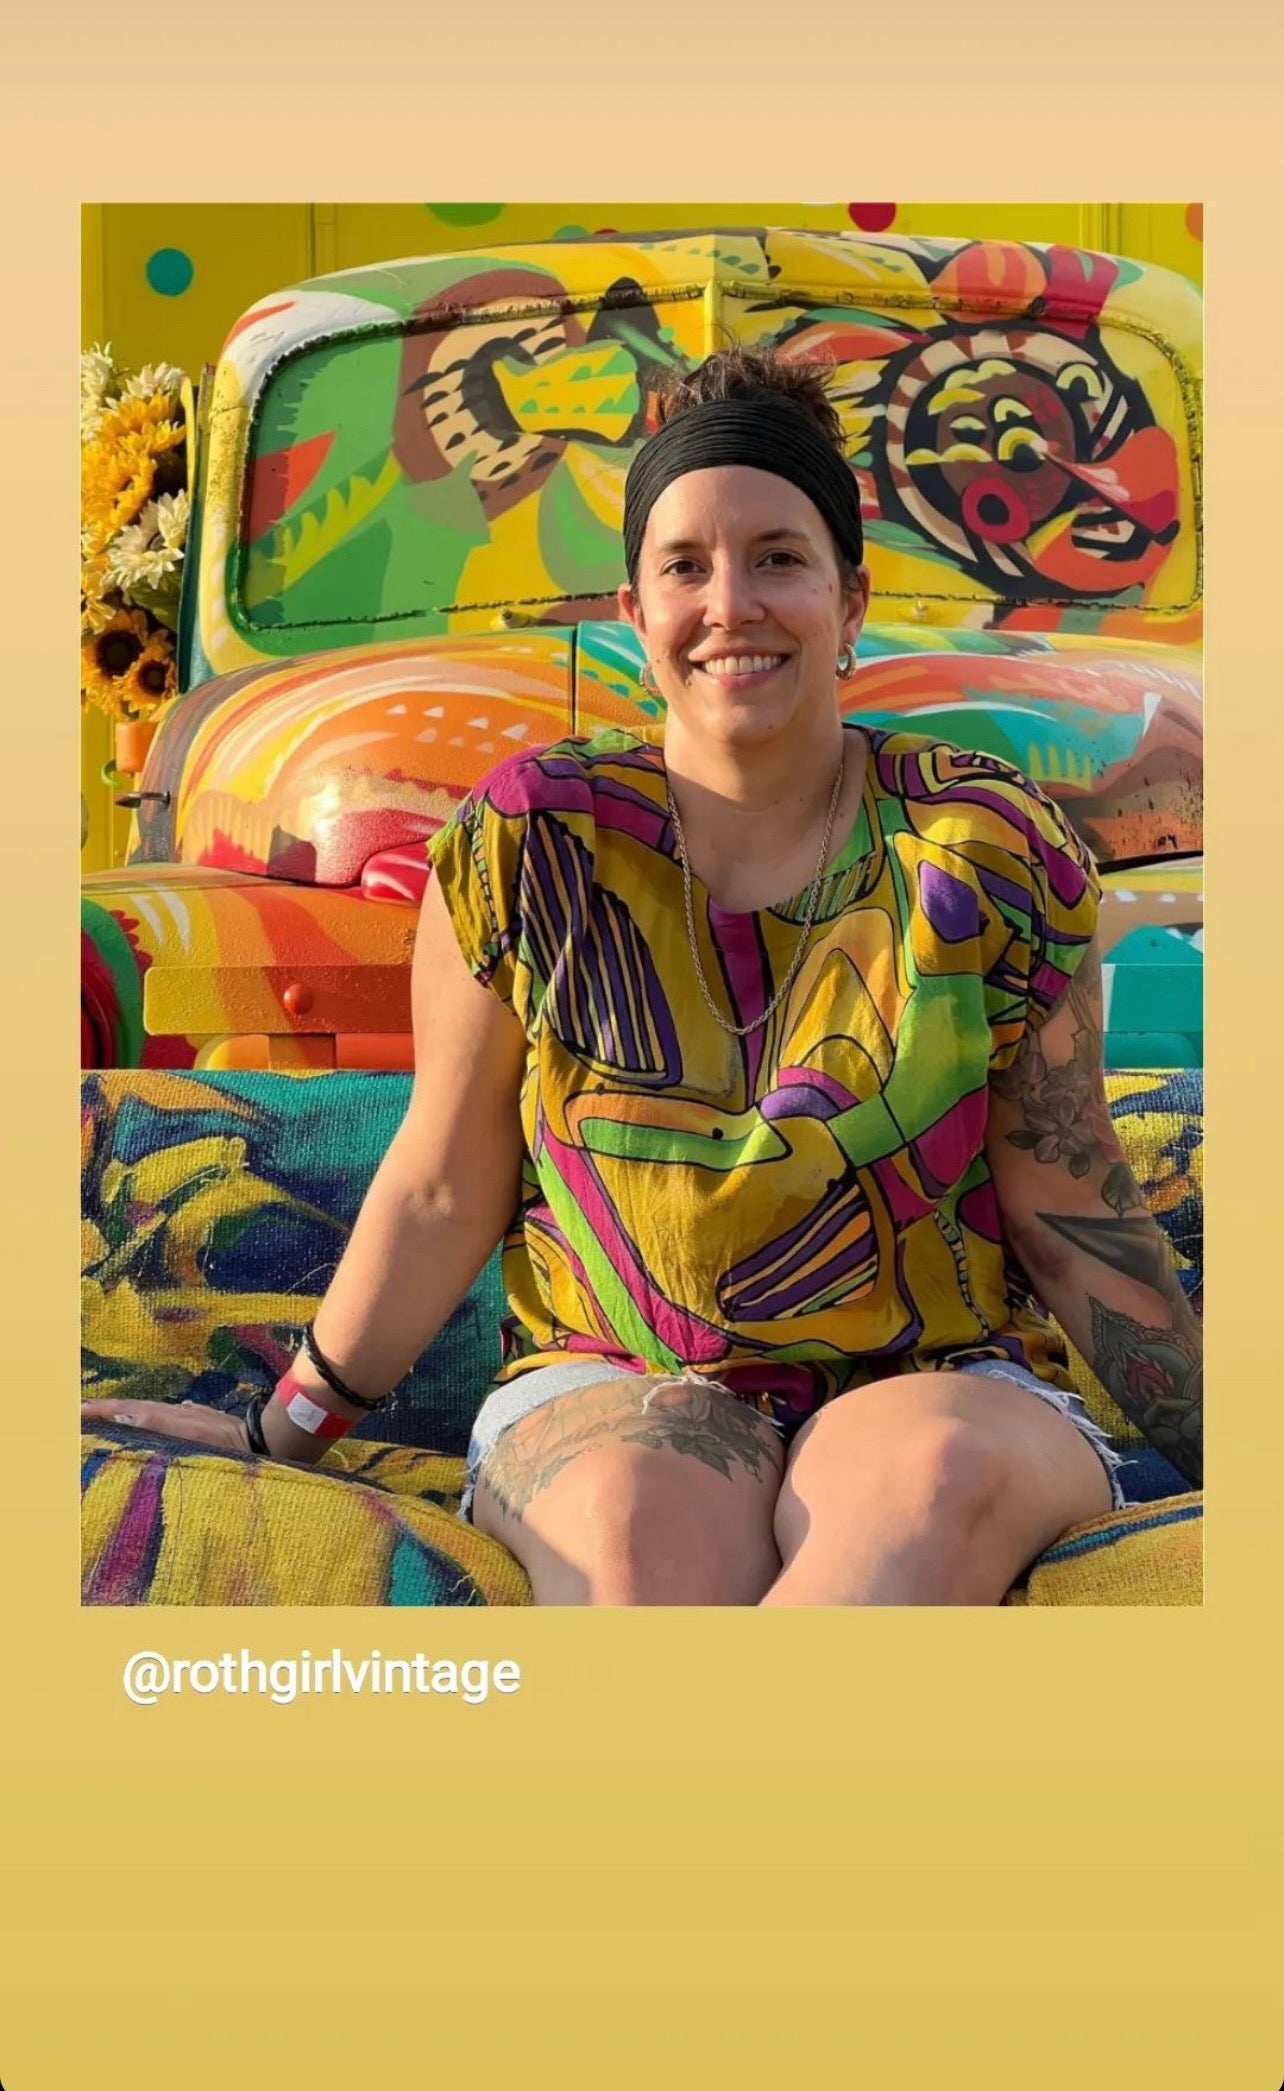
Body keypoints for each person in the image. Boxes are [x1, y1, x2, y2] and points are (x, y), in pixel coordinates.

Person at [85, 348, 1203, 1605]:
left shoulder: (984, 845)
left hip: (939, 1373)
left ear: (849, 600)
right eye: (686, 565)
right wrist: (275, 1431)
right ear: (635, 609)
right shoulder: (529, 843)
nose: (732, 603)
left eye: (778, 556)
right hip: (609, 1370)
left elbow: (1069, 1202)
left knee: (932, 1482)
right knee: (630, 1528)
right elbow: (446, 1183)